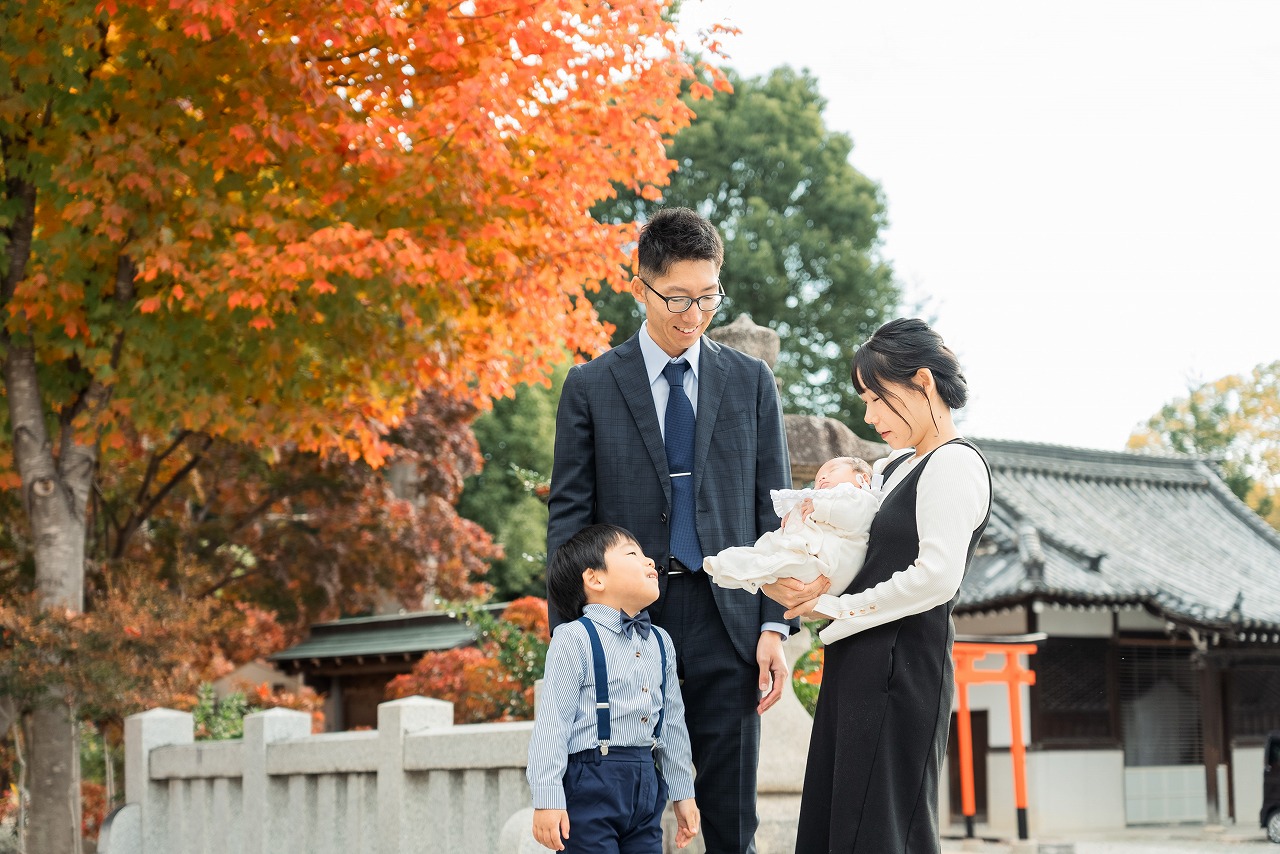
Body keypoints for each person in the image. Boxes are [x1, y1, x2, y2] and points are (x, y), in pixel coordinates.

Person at [547, 206, 795, 853]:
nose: (694, 313)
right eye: (678, 298)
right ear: (641, 286)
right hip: (622, 623)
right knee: (618, 807)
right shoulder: (591, 387)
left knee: (730, 818)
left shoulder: (751, 382)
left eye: (708, 296)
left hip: (729, 620)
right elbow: (570, 519)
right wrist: (567, 640)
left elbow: (774, 513)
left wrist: (774, 624)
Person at [762, 317, 993, 854]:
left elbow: (936, 578)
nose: (868, 416)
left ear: (923, 382)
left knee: (882, 829)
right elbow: (853, 550)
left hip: (904, 665)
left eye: (877, 398)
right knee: (836, 822)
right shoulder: (890, 469)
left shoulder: (954, 463)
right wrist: (804, 574)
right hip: (858, 662)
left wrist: (836, 608)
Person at [527, 523, 699, 852]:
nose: (650, 561)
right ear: (595, 579)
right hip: (590, 780)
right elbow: (552, 724)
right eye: (633, 554)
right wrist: (547, 798)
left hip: (646, 781)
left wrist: (683, 792)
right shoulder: (573, 638)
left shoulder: (661, 642)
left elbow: (672, 725)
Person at [703, 456, 878, 597]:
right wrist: (795, 517)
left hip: (828, 569)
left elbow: (852, 514)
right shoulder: (822, 502)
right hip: (811, 560)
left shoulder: (862, 498)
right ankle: (729, 567)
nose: (822, 477)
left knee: (779, 563)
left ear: (862, 478)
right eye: (817, 479)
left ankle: (749, 571)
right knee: (768, 544)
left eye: (831, 471)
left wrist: (818, 506)